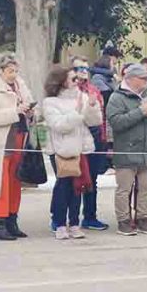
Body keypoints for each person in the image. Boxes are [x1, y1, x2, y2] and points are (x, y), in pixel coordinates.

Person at [106, 62, 147, 235]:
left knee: (145, 187)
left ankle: (142, 217)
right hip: (126, 151)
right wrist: (141, 112)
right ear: (132, 79)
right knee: (124, 189)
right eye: (143, 78)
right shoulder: (117, 97)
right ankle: (123, 220)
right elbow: (116, 122)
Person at [42, 65, 102, 240]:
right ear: (61, 82)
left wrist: (91, 106)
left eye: (77, 78)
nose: (77, 82)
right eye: (72, 79)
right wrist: (77, 112)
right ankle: (60, 223)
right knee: (63, 186)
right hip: (61, 150)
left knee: (78, 187)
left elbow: (94, 121)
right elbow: (60, 125)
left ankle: (74, 223)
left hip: (81, 149)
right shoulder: (50, 102)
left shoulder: (82, 97)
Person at [0, 52, 35, 240]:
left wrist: (30, 111)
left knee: (15, 182)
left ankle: (12, 220)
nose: (14, 74)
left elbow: (30, 105)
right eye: (11, 71)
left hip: (19, 138)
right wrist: (14, 111)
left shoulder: (21, 86)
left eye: (16, 71)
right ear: (1, 70)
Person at [66, 56, 111, 231]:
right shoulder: (68, 90)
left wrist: (105, 140)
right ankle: (70, 218)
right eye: (79, 69)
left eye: (86, 68)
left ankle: (90, 216)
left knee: (92, 179)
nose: (83, 72)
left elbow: (102, 117)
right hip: (75, 138)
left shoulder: (94, 90)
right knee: (72, 179)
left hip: (95, 137)